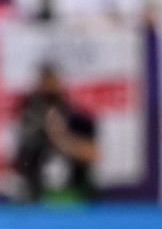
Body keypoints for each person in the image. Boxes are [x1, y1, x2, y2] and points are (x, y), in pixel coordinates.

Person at [12, 64, 98, 202]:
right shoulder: (31, 124)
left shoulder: (79, 120)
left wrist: (59, 137)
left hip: (74, 197)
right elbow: (21, 160)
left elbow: (92, 155)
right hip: (38, 199)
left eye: (51, 97)